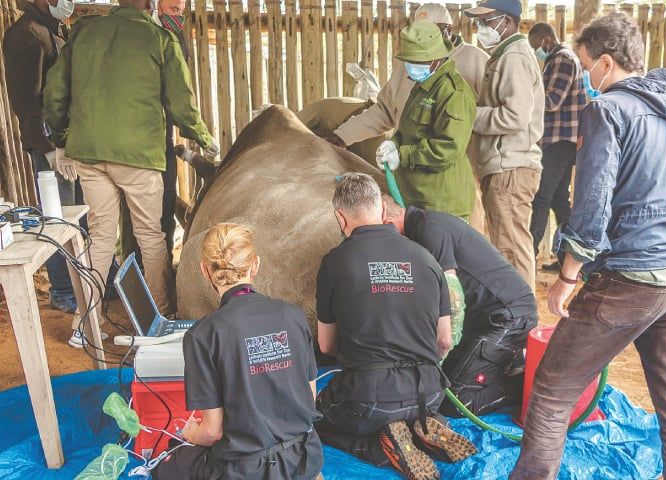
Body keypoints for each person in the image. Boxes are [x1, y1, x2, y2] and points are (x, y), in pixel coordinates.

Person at [511, 14, 666, 480]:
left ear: (604, 62)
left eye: (584, 66)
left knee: (553, 390)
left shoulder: (607, 110)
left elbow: (592, 203)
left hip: (635, 275)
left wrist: (567, 275)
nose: (584, 78)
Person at [43, 0, 218, 318]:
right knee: (150, 237)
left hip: (90, 153)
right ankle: (159, 317)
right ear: (150, 4)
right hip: (139, 155)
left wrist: (60, 137)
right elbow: (180, 103)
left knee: (100, 236)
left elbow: (55, 92)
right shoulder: (159, 39)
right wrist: (204, 138)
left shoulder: (83, 32)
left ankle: (87, 321)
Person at [315, 173, 476, 480]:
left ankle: (379, 445)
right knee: (407, 405)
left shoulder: (335, 262)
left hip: (370, 400)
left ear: (340, 217)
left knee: (316, 417)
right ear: (382, 210)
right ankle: (424, 425)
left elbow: (327, 346)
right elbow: (444, 340)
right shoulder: (427, 259)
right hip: (429, 392)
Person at [151, 223, 322, 480]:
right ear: (255, 265)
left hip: (245, 471)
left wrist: (190, 434)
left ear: (205, 271)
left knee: (169, 463)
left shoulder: (202, 335)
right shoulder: (294, 316)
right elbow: (309, 396)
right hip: (304, 459)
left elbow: (212, 432)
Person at [382, 196, 538, 417]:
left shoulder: (429, 229)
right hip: (481, 322)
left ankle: (528, 383)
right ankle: (501, 365)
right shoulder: (419, 230)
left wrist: (439, 353)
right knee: (438, 386)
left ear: (388, 223)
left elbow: (453, 302)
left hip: (510, 318)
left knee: (456, 401)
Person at [3, 0, 79, 315]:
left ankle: (79, 283)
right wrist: (48, 149)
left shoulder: (55, 28)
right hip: (49, 145)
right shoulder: (25, 36)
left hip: (66, 140)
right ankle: (62, 290)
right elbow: (26, 102)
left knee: (75, 215)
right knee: (58, 217)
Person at [464, 0, 545, 289]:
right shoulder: (503, 56)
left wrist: (470, 115)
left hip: (510, 165)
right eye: (479, 23)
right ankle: (518, 318)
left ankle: (522, 323)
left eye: (487, 22)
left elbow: (515, 116)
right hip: (504, 165)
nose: (481, 28)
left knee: (512, 249)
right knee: (507, 246)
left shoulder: (514, 57)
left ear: (508, 21)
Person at [328, 3, 487, 148]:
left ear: (448, 31)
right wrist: (343, 136)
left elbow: (491, 116)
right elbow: (385, 111)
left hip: (453, 166)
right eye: (419, 33)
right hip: (407, 165)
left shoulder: (476, 61)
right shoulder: (408, 64)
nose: (424, 39)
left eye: (431, 33)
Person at [374, 22, 476, 221]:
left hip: (441, 204)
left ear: (436, 59)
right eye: (409, 60)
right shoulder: (423, 85)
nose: (411, 66)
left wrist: (402, 156)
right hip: (415, 198)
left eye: (418, 60)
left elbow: (448, 149)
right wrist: (392, 144)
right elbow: (408, 130)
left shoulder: (454, 93)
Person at [121, 0, 191, 267]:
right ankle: (135, 270)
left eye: (182, 11)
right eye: (174, 10)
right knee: (135, 211)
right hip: (135, 139)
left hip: (163, 136)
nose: (179, 16)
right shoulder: (136, 35)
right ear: (155, 6)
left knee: (166, 201)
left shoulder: (177, 37)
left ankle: (162, 268)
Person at [527, 22, 588, 270]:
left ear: (545, 39)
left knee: (541, 197)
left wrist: (526, 94)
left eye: (535, 46)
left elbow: (552, 101)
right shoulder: (558, 58)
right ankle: (568, 259)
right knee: (558, 201)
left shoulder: (562, 59)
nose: (535, 51)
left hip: (561, 140)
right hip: (562, 140)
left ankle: (527, 256)